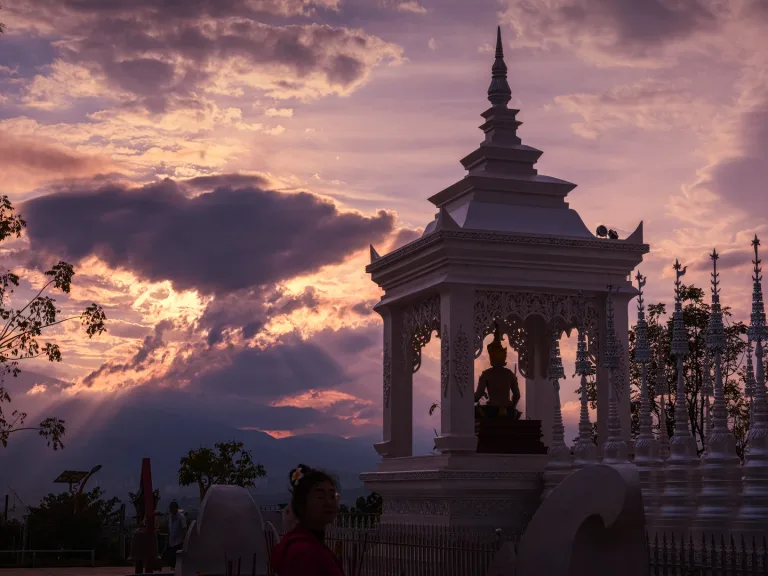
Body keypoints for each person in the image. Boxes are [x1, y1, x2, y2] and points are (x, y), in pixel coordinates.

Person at [270, 464, 344, 576]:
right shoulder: (302, 553)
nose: (329, 502)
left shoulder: (312, 545)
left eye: (332, 496)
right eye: (320, 497)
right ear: (301, 504)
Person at [165, 501, 187, 569]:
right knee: (172, 562)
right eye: (170, 508)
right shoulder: (170, 518)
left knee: (178, 562)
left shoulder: (181, 517)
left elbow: (184, 529)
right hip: (172, 543)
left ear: (176, 508)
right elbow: (169, 530)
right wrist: (167, 541)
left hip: (179, 543)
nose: (171, 509)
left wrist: (184, 540)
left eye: (172, 508)